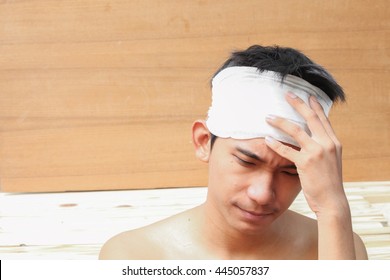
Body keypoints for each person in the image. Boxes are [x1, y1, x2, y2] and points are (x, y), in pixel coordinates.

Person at [99, 45, 368, 260]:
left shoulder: (338, 246)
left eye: (291, 170)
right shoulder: (135, 257)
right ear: (204, 142)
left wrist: (333, 207)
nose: (262, 194)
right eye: (246, 161)